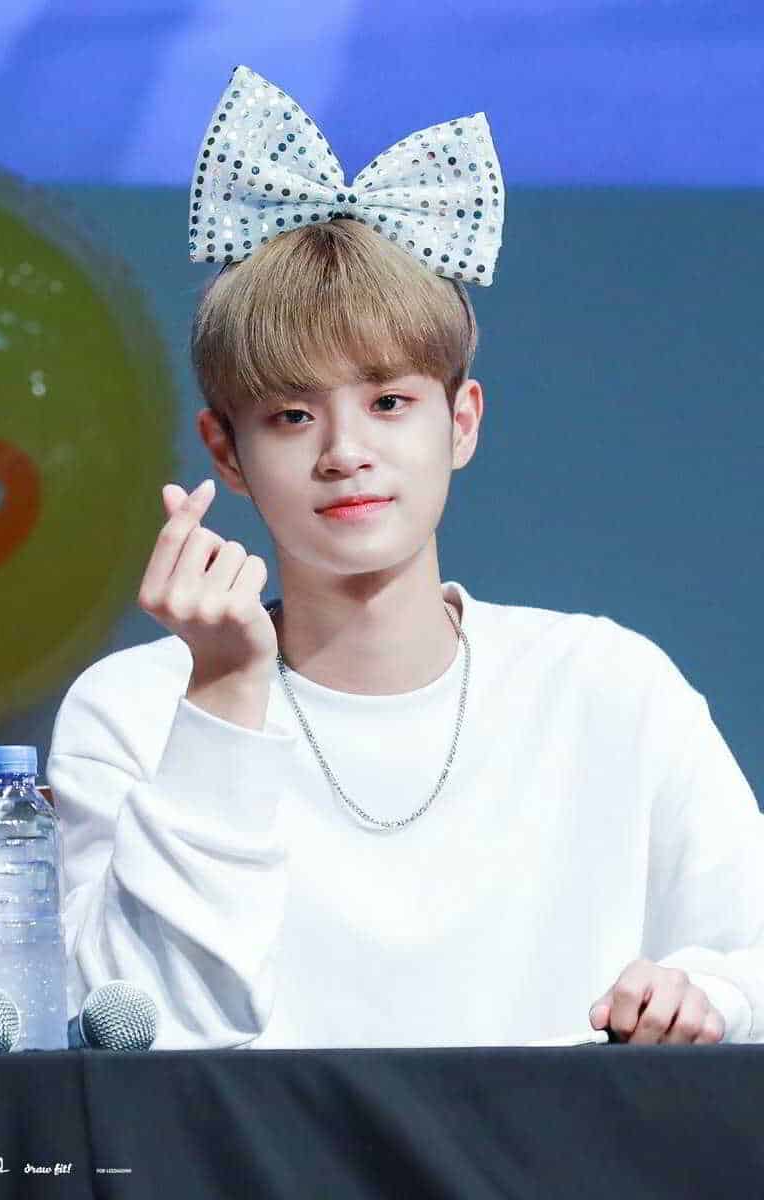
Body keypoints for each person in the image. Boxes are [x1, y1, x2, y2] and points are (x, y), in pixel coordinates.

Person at [46, 66, 764, 1052]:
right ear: (226, 452)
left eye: (389, 403)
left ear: (460, 421)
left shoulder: (606, 684)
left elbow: (747, 954)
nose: (345, 451)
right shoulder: (132, 709)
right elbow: (144, 1044)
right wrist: (221, 694)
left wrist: (704, 997)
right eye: (291, 415)